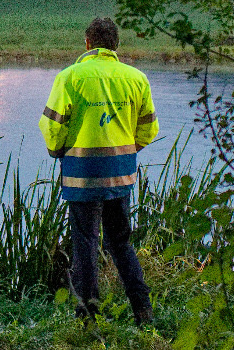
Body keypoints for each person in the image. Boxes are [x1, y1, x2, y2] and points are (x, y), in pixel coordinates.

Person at [39, 16, 159, 326]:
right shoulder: (136, 78)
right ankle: (143, 311)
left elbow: (53, 126)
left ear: (88, 43)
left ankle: (88, 317)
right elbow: (148, 129)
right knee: (120, 242)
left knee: (85, 243)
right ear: (117, 45)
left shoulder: (70, 77)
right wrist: (128, 151)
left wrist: (57, 152)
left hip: (81, 173)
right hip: (121, 173)